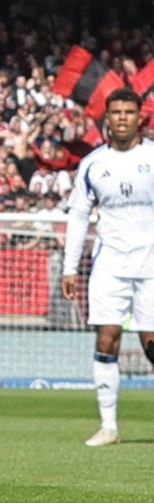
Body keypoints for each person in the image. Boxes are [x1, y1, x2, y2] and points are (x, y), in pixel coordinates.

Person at [61, 88, 154, 447]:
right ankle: (108, 426)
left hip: (151, 264)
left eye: (129, 112)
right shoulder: (93, 164)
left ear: (139, 117)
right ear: (107, 118)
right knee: (106, 338)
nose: (122, 118)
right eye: (115, 112)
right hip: (110, 264)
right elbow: (79, 217)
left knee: (151, 345)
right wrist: (70, 268)